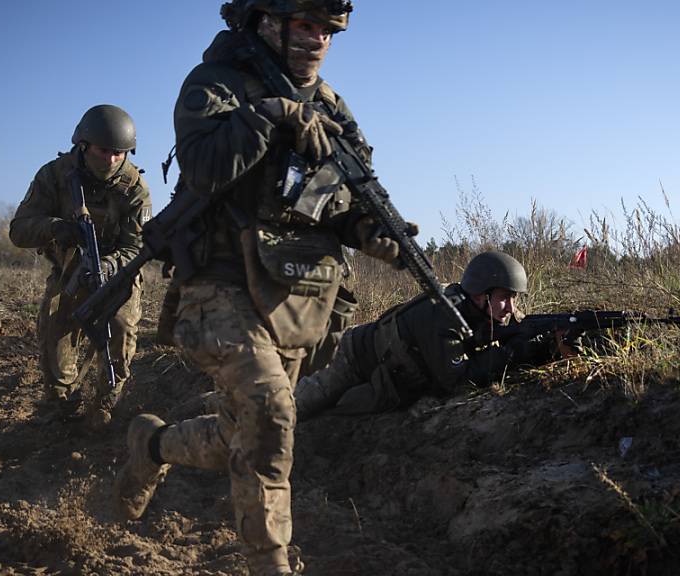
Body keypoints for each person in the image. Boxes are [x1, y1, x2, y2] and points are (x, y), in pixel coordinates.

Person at [112, 2, 399, 574]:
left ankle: (152, 446)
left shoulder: (333, 107)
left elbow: (338, 200)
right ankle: (270, 564)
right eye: (304, 26)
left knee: (241, 435)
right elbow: (204, 169)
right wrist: (271, 115)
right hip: (216, 286)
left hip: (293, 296)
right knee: (269, 412)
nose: (316, 40)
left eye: (326, 31)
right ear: (265, 22)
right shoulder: (215, 85)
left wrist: (376, 232)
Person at [10, 104, 151, 427]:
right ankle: (61, 403)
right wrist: (56, 227)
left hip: (118, 275)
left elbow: (139, 247)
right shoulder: (54, 175)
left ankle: (105, 402)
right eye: (105, 150)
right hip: (69, 270)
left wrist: (110, 264)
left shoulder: (135, 188)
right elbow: (18, 230)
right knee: (55, 334)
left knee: (120, 330)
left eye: (120, 153)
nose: (112, 159)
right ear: (84, 145)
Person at [295, 251, 555, 419]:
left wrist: (546, 344)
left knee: (337, 413)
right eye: (504, 298)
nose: (511, 307)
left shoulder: (488, 310)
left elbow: (520, 331)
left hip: (384, 372)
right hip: (347, 356)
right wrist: (511, 353)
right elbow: (456, 381)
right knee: (291, 410)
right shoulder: (443, 315)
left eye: (514, 298)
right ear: (480, 294)